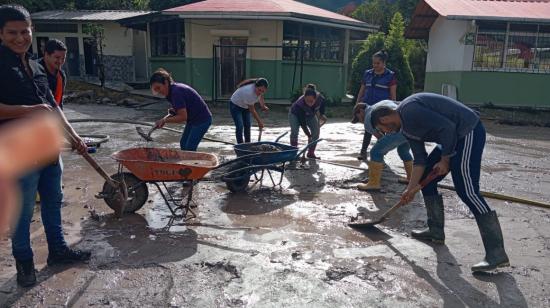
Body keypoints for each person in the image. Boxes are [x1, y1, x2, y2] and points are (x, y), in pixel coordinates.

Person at [0, 5, 91, 287]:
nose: (19, 38)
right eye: (12, 32)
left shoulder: (38, 65)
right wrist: (28, 110)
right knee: (22, 212)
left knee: (53, 203)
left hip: (50, 151)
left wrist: (74, 136)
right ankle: (25, 264)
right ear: (0, 33)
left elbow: (53, 107)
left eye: (24, 31)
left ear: (32, 31)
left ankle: (58, 252)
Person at [370, 92, 510, 272]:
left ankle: (496, 253)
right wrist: (410, 189)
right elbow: (420, 160)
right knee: (426, 179)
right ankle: (436, 230)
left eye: (383, 129)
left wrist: (445, 159)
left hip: (467, 132)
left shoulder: (410, 110)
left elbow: (448, 127)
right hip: (450, 139)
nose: (385, 133)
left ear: (385, 117)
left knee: (467, 190)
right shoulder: (406, 129)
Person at [351, 100, 412, 190]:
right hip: (409, 125)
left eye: (358, 118)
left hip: (397, 129)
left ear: (360, 111)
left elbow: (381, 138)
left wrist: (379, 158)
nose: (360, 121)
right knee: (403, 150)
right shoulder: (382, 103)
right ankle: (411, 178)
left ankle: (373, 183)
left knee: (376, 152)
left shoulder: (368, 119)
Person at [150, 68, 212, 151]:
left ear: (166, 83)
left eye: (158, 88)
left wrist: (164, 121)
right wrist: (168, 115)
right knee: (183, 143)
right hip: (192, 120)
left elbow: (183, 117)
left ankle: (191, 163)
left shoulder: (176, 92)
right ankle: (186, 162)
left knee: (189, 148)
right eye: (155, 89)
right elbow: (179, 110)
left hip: (202, 120)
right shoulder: (171, 91)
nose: (158, 92)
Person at [354, 50, 397, 161]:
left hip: (381, 109)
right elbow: (362, 89)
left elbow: (393, 94)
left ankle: (380, 153)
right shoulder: (368, 73)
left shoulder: (390, 76)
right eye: (373, 63)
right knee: (368, 129)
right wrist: (358, 103)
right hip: (367, 106)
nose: (375, 65)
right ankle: (363, 152)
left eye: (378, 63)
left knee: (382, 129)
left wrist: (393, 109)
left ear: (383, 63)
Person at [288, 84, 327, 159]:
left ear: (316, 99)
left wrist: (322, 114)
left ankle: (311, 153)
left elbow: (322, 106)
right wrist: (309, 135)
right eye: (307, 101)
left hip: (310, 115)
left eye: (311, 101)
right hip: (295, 115)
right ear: (304, 97)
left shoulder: (320, 98)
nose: (309, 103)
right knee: (295, 131)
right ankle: (293, 153)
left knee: (316, 131)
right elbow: (303, 124)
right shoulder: (300, 104)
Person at [229, 78, 269, 144]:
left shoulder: (259, 90)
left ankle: (248, 144)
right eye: (259, 90)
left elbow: (261, 96)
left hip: (245, 105)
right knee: (240, 126)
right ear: (255, 86)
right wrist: (259, 122)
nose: (260, 92)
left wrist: (263, 105)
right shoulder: (249, 92)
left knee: (247, 125)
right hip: (235, 105)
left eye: (263, 91)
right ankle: (240, 145)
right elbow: (252, 110)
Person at [39, 39, 67, 109]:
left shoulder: (61, 76)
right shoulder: (34, 71)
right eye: (57, 58)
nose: (60, 61)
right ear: (46, 55)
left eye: (63, 58)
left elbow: (59, 102)